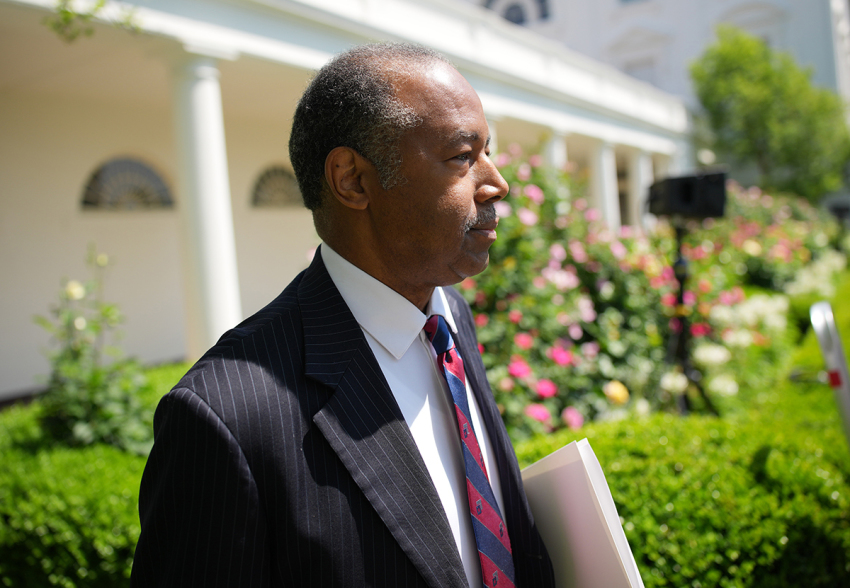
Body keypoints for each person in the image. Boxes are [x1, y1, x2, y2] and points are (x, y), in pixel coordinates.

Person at [131, 43, 555, 588]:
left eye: (487, 151)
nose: (498, 183)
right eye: (462, 156)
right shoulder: (227, 417)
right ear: (352, 179)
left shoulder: (448, 316)